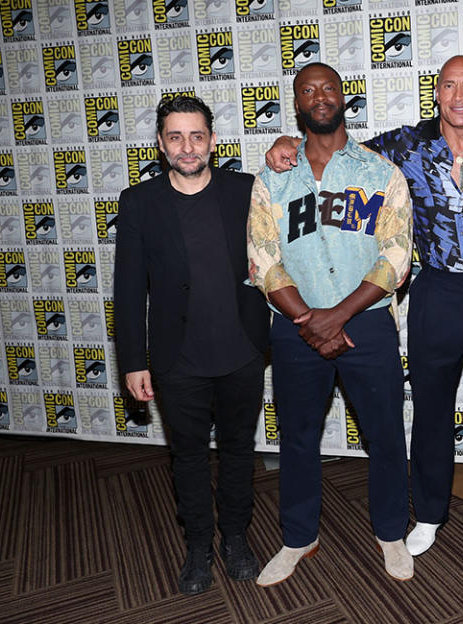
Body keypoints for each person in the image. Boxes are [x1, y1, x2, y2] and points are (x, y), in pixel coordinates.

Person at [265, 56, 463, 557]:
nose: (458, 96)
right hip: (432, 288)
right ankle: (429, 512)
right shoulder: (405, 143)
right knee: (431, 406)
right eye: (448, 85)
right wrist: (287, 145)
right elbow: (335, 148)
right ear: (436, 94)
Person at [247, 62, 415, 584]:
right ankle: (299, 537)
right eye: (307, 91)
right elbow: (261, 256)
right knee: (297, 437)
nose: (319, 97)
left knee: (385, 434)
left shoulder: (379, 173)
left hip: (363, 322)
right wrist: (306, 318)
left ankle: (391, 532)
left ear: (344, 98)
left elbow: (396, 254)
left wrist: (335, 316)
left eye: (328, 89)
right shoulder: (273, 177)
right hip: (294, 326)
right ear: (297, 105)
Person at [114, 95, 270, 595]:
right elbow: (128, 288)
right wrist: (134, 362)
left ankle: (236, 540)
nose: (187, 146)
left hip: (241, 350)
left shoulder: (246, 191)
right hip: (176, 357)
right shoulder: (140, 202)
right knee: (187, 458)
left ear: (213, 141)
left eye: (196, 136)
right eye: (176, 137)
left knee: (239, 451)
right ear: (161, 145)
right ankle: (199, 547)